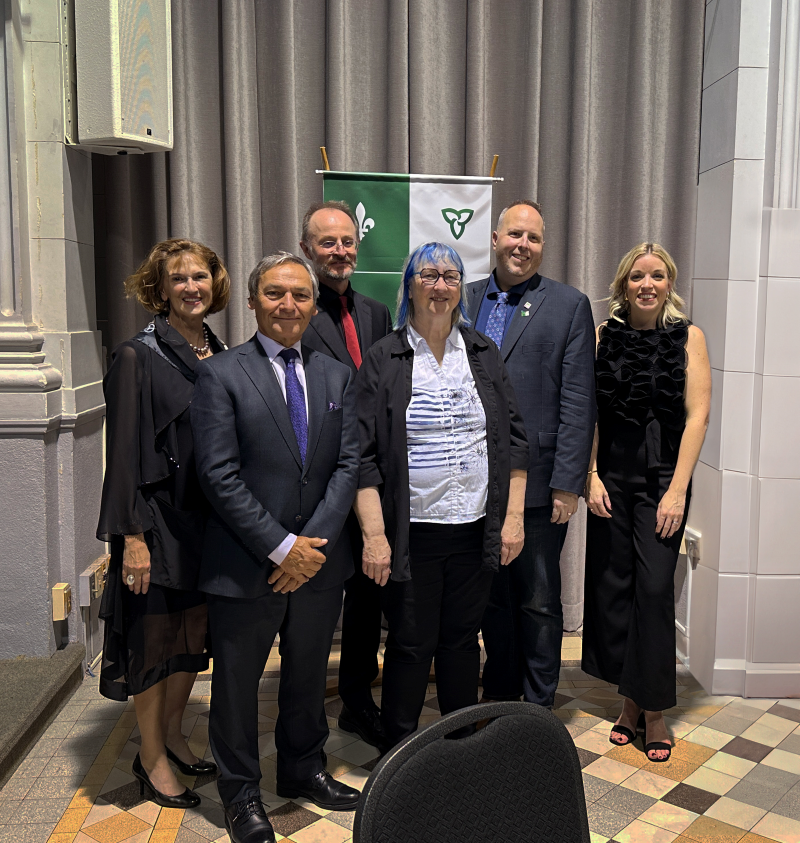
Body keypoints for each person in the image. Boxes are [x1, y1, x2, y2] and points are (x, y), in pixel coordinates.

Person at [191, 252, 361, 843]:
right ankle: (240, 794)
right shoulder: (221, 374)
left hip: (319, 561)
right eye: (274, 293)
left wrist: (310, 546)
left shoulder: (337, 375)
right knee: (237, 687)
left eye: (300, 295)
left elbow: (347, 463)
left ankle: (303, 768)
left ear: (314, 303)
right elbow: (217, 474)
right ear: (254, 299)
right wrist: (281, 546)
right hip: (246, 565)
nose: (288, 305)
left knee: (309, 676)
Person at [354, 242, 528, 748]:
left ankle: (461, 747)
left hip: (474, 528)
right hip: (413, 534)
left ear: (460, 289)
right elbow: (361, 455)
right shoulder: (384, 357)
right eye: (428, 274)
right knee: (410, 644)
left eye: (450, 276)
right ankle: (400, 753)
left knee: (459, 643)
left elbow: (515, 440)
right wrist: (374, 535)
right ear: (408, 285)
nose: (440, 285)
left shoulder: (482, 352)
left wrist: (512, 518)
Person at [97, 238, 230, 807]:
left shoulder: (220, 350)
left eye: (200, 277)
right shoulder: (137, 355)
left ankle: (174, 736)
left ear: (215, 284)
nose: (191, 287)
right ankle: (150, 758)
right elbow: (123, 455)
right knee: (153, 647)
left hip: (207, 525)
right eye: (179, 279)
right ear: (160, 288)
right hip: (155, 526)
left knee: (189, 641)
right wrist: (130, 539)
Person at [582, 242, 711, 762]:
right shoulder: (602, 336)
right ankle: (631, 701)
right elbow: (589, 411)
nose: (648, 284)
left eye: (658, 275)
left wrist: (678, 489)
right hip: (611, 472)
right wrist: (589, 475)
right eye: (638, 276)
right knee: (616, 586)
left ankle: (652, 711)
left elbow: (698, 416)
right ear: (622, 283)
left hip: (664, 475)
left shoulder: (689, 338)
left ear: (669, 283)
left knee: (654, 588)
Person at [466, 200, 596, 708]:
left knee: (539, 599)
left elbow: (578, 399)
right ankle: (499, 696)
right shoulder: (463, 297)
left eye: (534, 238)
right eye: (515, 234)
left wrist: (569, 481)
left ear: (543, 246)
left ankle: (538, 708)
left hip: (542, 484)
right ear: (495, 238)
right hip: (472, 482)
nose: (523, 245)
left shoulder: (568, 305)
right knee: (491, 600)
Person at [299, 200, 393, 749]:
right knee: (312, 608)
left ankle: (357, 699)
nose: (340, 252)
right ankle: (304, 713)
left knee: (367, 600)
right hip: (318, 486)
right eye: (327, 243)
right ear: (308, 248)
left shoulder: (378, 313)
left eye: (348, 241)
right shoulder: (292, 311)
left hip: (370, 482)